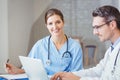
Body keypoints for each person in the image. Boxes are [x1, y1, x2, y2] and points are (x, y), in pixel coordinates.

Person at [6, 8, 83, 75]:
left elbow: (77, 74)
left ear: (63, 22)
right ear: (46, 26)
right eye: (50, 23)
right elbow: (28, 68)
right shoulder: (40, 45)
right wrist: (16, 70)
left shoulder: (75, 47)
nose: (54, 27)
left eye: (58, 22)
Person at [51, 5, 120, 80]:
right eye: (94, 28)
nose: (94, 32)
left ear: (112, 25)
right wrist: (69, 75)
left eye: (97, 27)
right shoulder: (111, 49)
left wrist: (78, 79)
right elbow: (97, 71)